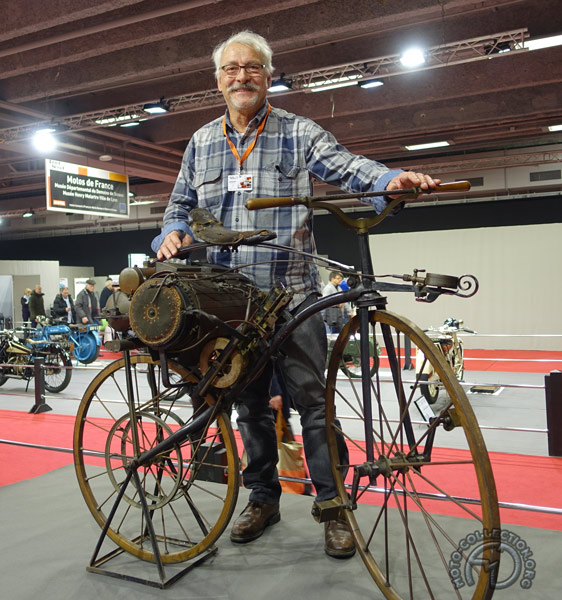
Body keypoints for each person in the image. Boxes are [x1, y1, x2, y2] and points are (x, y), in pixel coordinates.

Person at [152, 30, 440, 559]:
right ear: (218, 80)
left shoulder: (297, 131)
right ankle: (262, 498)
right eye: (232, 68)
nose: (242, 76)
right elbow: (178, 205)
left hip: (293, 296)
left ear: (268, 75)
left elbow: (347, 166)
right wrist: (169, 232)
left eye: (253, 68)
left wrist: (391, 178)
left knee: (313, 404)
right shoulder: (201, 141)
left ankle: (333, 508)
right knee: (249, 407)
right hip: (230, 303)